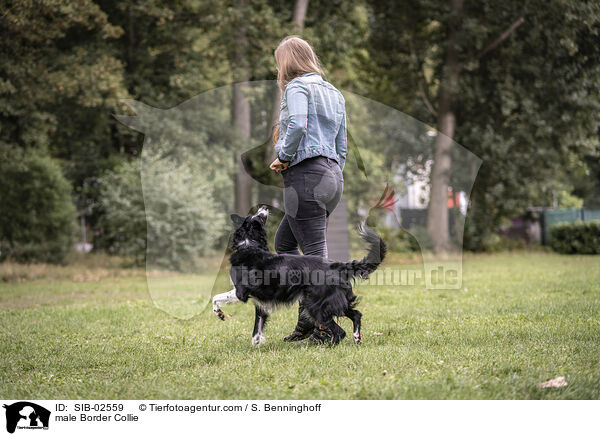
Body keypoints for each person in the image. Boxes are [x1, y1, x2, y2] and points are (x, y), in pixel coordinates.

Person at [269, 36, 347, 343]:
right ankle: (307, 319)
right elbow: (341, 146)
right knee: (284, 243)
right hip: (332, 176)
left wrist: (284, 156)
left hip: (307, 175)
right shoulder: (334, 92)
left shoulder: (297, 87)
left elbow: (298, 126)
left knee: (315, 256)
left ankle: (325, 328)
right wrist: (331, 173)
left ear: (287, 62)